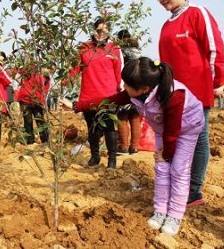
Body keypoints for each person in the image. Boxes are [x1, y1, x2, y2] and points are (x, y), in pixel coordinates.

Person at [66, 57, 204, 236]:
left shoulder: (174, 96)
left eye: (127, 84)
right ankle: (160, 211)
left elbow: (173, 132)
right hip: (164, 129)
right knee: (161, 168)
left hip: (187, 128)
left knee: (178, 170)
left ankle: (175, 216)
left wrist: (167, 154)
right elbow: (108, 101)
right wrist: (77, 105)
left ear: (144, 89)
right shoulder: (136, 91)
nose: (124, 87)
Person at [153, 0, 224, 208]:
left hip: (198, 89)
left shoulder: (198, 13)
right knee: (178, 138)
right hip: (174, 94)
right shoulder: (166, 25)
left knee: (199, 138)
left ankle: (194, 191)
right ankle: (180, 184)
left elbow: (214, 48)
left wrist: (218, 82)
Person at [69, 17, 123, 168]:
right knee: (92, 128)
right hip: (88, 95)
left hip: (108, 96)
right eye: (98, 30)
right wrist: (64, 83)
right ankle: (95, 156)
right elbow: (74, 70)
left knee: (109, 127)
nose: (101, 34)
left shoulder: (114, 49)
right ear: (93, 30)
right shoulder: (84, 47)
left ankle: (112, 161)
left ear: (109, 33)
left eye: (105, 31)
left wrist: (120, 91)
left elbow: (118, 72)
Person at [115, 29, 142, 155]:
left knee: (122, 116)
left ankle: (123, 146)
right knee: (135, 117)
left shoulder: (121, 51)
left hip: (125, 85)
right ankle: (134, 147)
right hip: (138, 88)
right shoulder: (138, 51)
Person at [14, 62, 50, 145]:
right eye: (46, 68)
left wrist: (42, 103)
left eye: (49, 69)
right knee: (28, 121)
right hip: (25, 100)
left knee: (40, 121)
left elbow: (45, 91)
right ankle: (30, 141)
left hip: (37, 102)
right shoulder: (31, 69)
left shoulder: (47, 78)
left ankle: (45, 141)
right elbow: (18, 70)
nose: (47, 70)